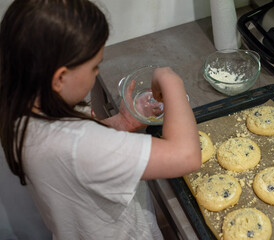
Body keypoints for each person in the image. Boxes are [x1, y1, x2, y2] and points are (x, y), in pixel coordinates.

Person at [0, 0, 201, 240]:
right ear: (60, 78)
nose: (97, 74)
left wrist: (119, 124)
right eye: (95, 67)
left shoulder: (19, 106)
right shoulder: (80, 147)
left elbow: (73, 152)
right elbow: (186, 156)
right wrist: (170, 80)